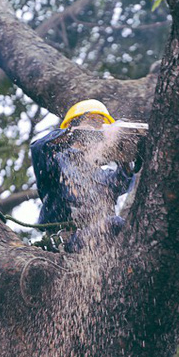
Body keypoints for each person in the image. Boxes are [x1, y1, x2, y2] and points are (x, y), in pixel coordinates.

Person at [30, 99, 134, 252]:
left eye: (101, 125)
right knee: (115, 223)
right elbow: (39, 147)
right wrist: (73, 134)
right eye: (92, 123)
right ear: (73, 125)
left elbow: (123, 183)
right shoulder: (55, 159)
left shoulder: (100, 173)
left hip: (98, 239)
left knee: (123, 225)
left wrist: (125, 158)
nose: (98, 129)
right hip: (65, 241)